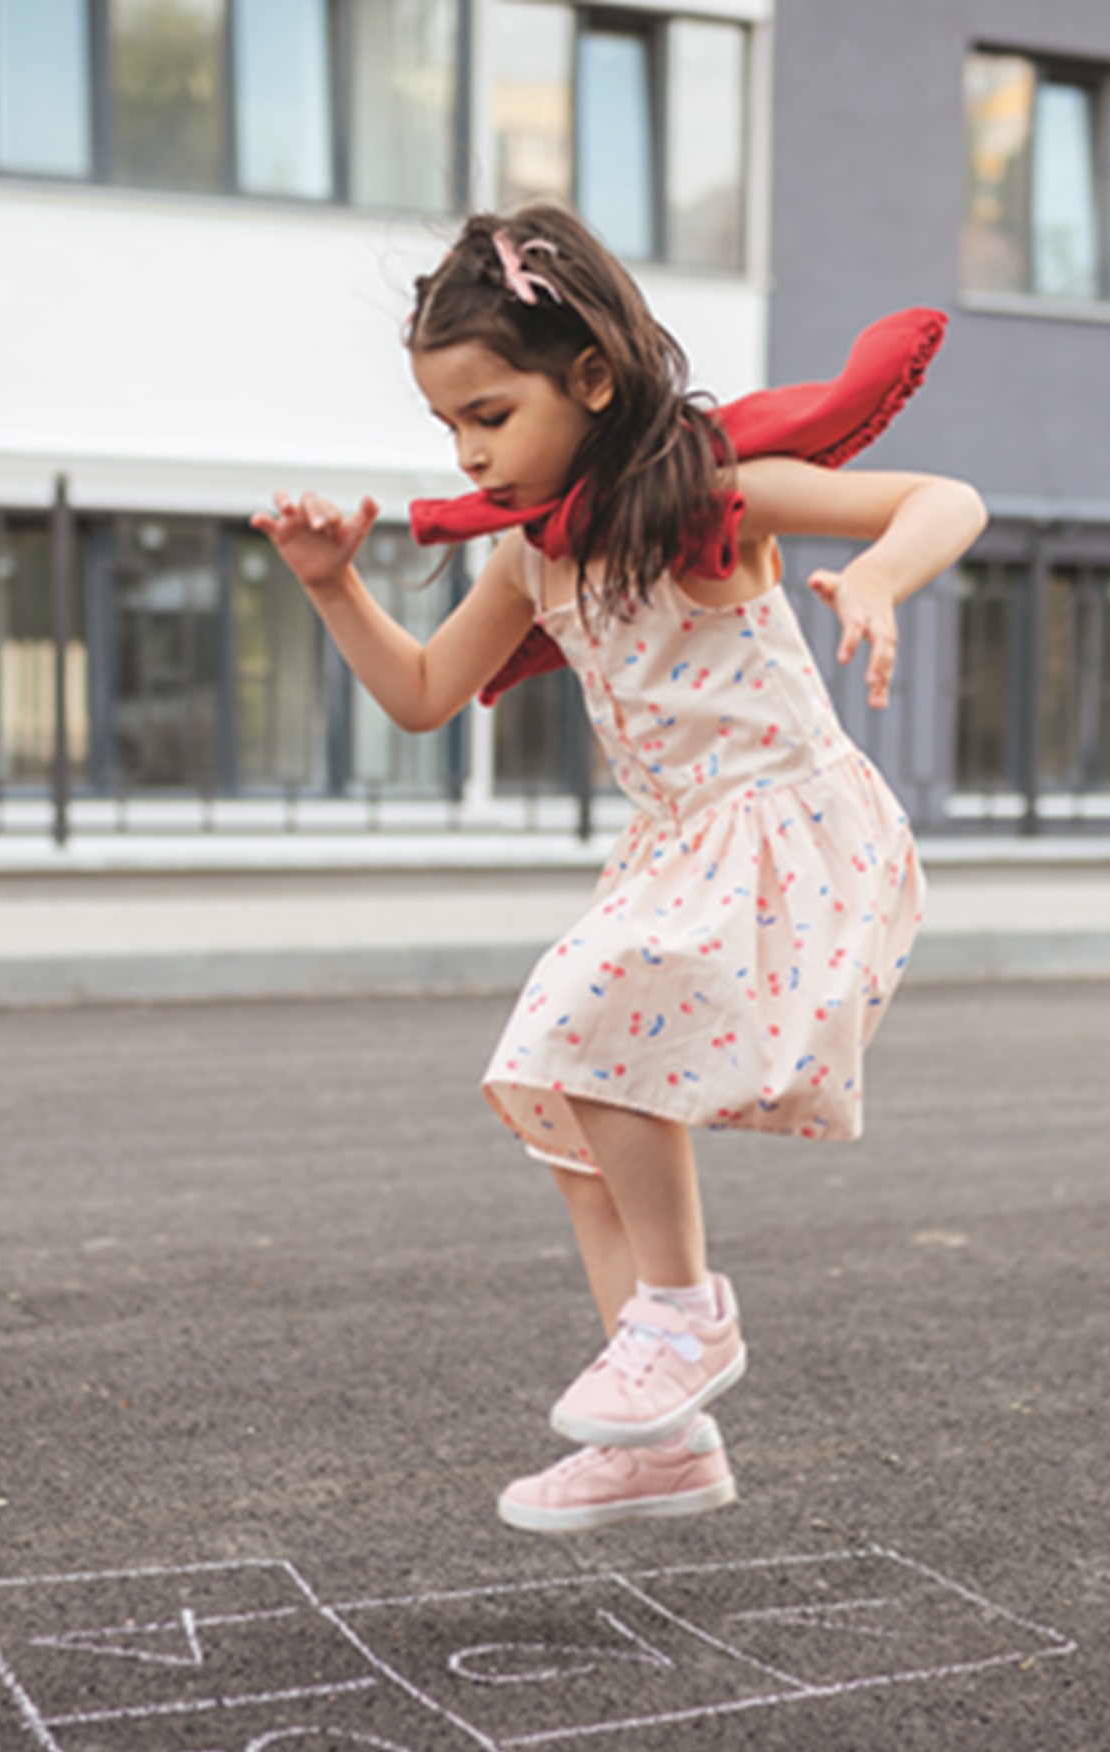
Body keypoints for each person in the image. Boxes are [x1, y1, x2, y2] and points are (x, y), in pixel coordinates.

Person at [251, 205, 984, 1534]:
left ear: (590, 376)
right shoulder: (534, 553)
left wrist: (877, 578)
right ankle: (663, 1439)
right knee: (560, 1087)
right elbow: (423, 693)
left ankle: (685, 1313)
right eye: (449, 430)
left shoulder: (713, 493)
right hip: (677, 848)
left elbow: (946, 499)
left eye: (489, 414)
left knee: (592, 1013)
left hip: (786, 830)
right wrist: (330, 584)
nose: (471, 452)